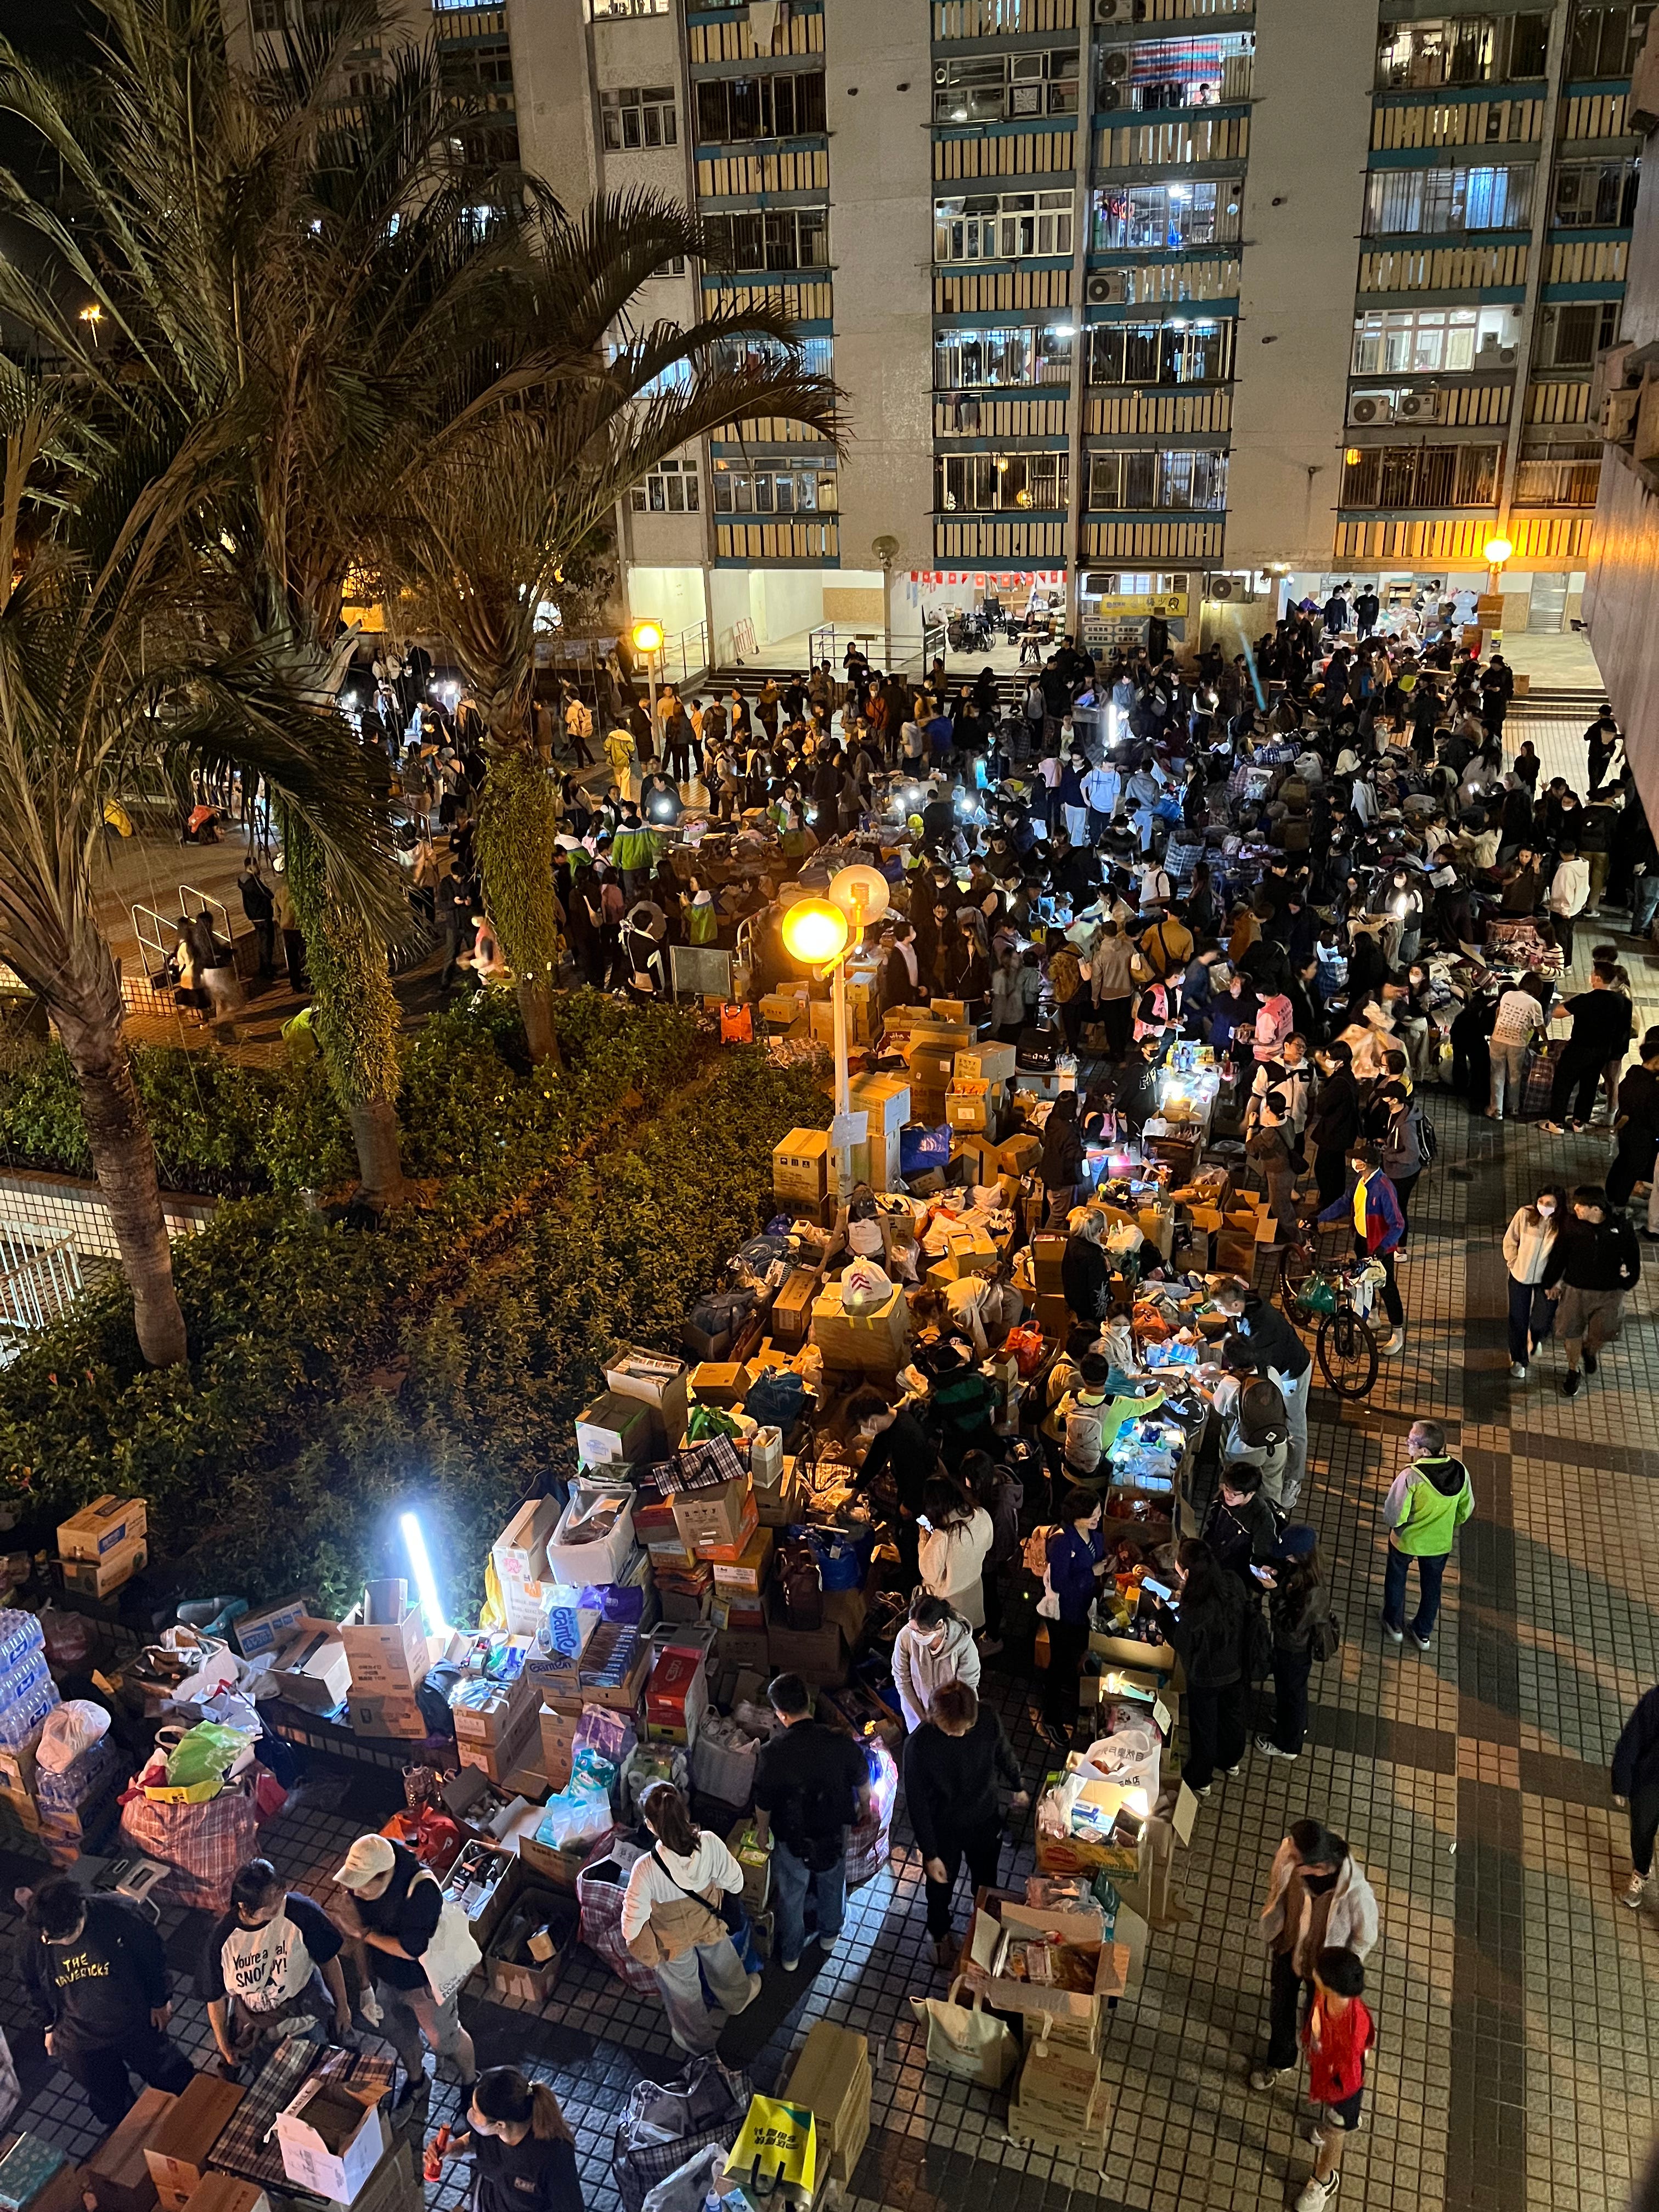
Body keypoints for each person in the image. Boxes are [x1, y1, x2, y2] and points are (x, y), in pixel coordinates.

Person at [19, 1875, 195, 2125]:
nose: (50, 1942)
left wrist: (159, 2000)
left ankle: (200, 2115)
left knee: (174, 2077)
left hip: (134, 2022)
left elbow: (152, 1957)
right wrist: (49, 2025)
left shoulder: (118, 1914)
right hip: (79, 2039)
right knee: (112, 2103)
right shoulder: (33, 1938)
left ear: (80, 1913)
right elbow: (33, 1985)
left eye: (60, 1938)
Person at [331, 1832, 477, 2104]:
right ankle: (417, 2079)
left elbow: (412, 1950)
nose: (355, 1893)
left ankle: (471, 2082)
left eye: (362, 1887)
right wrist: (365, 1985)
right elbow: (357, 1935)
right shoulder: (361, 1885)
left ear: (384, 1875)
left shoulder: (421, 1890)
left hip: (426, 1983)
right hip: (387, 1980)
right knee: (398, 2034)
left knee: (446, 2040)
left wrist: (365, 1933)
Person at [620, 1784, 759, 2052]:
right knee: (723, 1961)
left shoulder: (645, 1869)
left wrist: (649, 1953)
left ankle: (697, 2040)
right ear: (685, 1812)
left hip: (671, 1938)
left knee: (683, 1989)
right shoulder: (709, 1842)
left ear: (650, 1826)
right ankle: (738, 1999)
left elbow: (631, 1926)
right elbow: (735, 1881)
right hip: (708, 1921)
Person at [901, 1681, 1026, 1973]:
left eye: (966, 1728)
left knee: (987, 1880)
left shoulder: (987, 1719)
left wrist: (1017, 1784)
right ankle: (939, 1935)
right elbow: (917, 1806)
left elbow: (1003, 1752)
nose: (960, 1734)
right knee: (940, 1888)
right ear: (936, 1719)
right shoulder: (918, 1747)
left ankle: (985, 1927)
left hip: (984, 1819)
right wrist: (930, 1854)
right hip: (944, 1831)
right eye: (953, 1729)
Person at [751, 1674, 873, 1972]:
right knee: (832, 1879)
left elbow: (764, 1802)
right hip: (834, 1829)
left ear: (781, 1715)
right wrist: (866, 1808)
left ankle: (791, 1954)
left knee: (792, 1893)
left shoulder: (772, 1753)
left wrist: (763, 1832)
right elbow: (862, 1779)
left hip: (792, 1836)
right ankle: (830, 1934)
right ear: (809, 1702)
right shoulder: (840, 1742)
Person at [1250, 1819, 1379, 2092]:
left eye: (1296, 1858)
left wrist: (1339, 1970)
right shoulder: (1290, 1852)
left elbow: (1365, 1936)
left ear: (1319, 1867)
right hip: (1289, 1948)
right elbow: (1277, 1888)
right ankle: (1281, 2059)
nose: (1288, 1853)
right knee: (1280, 2006)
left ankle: (1318, 2062)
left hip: (1323, 1969)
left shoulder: (1356, 1894)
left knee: (1316, 2017)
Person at [201, 1857, 351, 2073]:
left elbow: (328, 1959)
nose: (279, 1907)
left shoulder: (299, 1912)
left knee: (319, 2069)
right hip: (258, 2023)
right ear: (244, 1906)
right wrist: (224, 2045)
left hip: (306, 2010)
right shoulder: (223, 1940)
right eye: (270, 1908)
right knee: (270, 2075)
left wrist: (343, 2007)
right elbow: (215, 1997)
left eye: (281, 1897)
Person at [1155, 1537, 1251, 1798]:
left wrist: (1163, 1613)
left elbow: (1182, 1643)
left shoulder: (1195, 1609)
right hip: (1237, 1666)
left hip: (1206, 1677)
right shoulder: (1231, 1582)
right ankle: (1230, 1760)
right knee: (1232, 1716)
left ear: (1186, 1573)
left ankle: (1201, 1778)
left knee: (1205, 1727)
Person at [1209, 1277, 1312, 1509]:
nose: (1218, 1311)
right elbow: (1231, 1328)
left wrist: (1221, 1377)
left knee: (1296, 1426)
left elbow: (1253, 1365)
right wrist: (1205, 1337)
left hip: (1292, 1371)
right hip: (1274, 1373)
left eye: (1219, 1307)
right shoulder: (1248, 1303)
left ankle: (1294, 1479)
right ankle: (1274, 1500)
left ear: (1235, 1304)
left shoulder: (1260, 1331)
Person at [1379, 1417, 1474, 1649]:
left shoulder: (1411, 1477)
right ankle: (1422, 1633)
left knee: (1396, 1579)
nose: (1406, 1442)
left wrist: (1395, 1526)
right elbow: (1465, 1509)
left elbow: (1395, 1514)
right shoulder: (1460, 1471)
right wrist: (1447, 1526)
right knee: (1432, 1587)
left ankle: (1394, 1624)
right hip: (1439, 1543)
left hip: (1406, 1541)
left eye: (1411, 1440)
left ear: (1424, 1450)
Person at [1293, 1950, 1375, 2212]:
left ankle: (1324, 2180)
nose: (1313, 1972)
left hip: (1343, 2088)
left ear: (1331, 1986)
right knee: (1334, 2120)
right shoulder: (1328, 1996)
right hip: (1328, 2078)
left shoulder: (1352, 2030)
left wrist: (1332, 2099)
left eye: (1318, 1971)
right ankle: (1338, 2122)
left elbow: (1347, 2073)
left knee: (1336, 2130)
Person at [434, 2069, 584, 2212]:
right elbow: (474, 2142)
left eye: (475, 2112)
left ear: (500, 2125)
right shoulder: (492, 2131)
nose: (470, 2115)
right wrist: (452, 2149)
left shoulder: (554, 2156)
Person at [1542, 1182, 1641, 1395]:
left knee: (1604, 1332)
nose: (1575, 1208)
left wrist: (1626, 1283)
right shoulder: (1571, 1226)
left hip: (1609, 1294)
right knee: (1571, 1332)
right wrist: (1550, 1282)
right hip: (1576, 1291)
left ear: (1596, 1209)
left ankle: (1590, 1350)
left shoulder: (1620, 1229)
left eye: (1580, 1206)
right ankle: (1573, 1370)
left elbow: (1633, 1258)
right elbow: (1559, 1256)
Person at [1316, 1140, 1406, 1356]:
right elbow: (1345, 1202)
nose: (1353, 1161)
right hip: (1362, 1241)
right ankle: (1373, 1316)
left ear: (1364, 1164)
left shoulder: (1384, 1189)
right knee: (1363, 1281)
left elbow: (1398, 1224)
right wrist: (1319, 1217)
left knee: (1387, 1288)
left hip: (1380, 1249)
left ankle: (1398, 1333)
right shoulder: (1361, 1180)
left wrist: (1384, 1247)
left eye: (1356, 1159)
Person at [1255, 1526, 1332, 1763]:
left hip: (1294, 1649)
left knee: (1291, 1693)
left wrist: (1275, 1592)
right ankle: (1297, 1724)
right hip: (1290, 1646)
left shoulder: (1312, 1591)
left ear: (1300, 1557)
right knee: (1292, 1691)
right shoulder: (1303, 1571)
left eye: (1288, 1555)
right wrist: (1276, 1573)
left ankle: (1288, 1744)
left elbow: (1290, 1624)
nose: (1285, 1558)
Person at [849, 1386, 936, 1583]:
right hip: (906, 1489)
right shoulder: (891, 1424)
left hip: (920, 1498)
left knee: (913, 1540)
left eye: (863, 1424)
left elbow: (919, 1475)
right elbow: (876, 1458)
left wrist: (909, 1505)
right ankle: (906, 1571)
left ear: (872, 1420)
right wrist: (857, 1488)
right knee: (902, 1536)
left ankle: (914, 1582)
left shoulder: (907, 1436)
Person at [1041, 1487, 1107, 1747]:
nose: (1097, 1518)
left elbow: (1096, 1555)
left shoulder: (1093, 1532)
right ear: (1076, 1517)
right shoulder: (1062, 1543)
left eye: (1099, 1512)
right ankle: (1051, 1716)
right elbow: (1059, 1584)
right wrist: (1092, 1572)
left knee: (1074, 1654)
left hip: (1083, 1608)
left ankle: (1069, 1684)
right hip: (1065, 1614)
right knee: (1059, 1661)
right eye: (1092, 1516)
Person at [1541, 966, 1633, 1135]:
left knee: (1563, 1083)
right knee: (1589, 1085)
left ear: (1597, 978)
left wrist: (1565, 1003)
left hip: (1579, 1048)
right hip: (1602, 1052)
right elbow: (1624, 1030)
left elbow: (1558, 1013)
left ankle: (1556, 1123)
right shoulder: (1622, 1002)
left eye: (1592, 974)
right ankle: (1579, 1122)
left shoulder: (1586, 999)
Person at [891, 1592, 981, 1734]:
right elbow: (902, 1679)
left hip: (953, 1718)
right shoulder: (905, 1637)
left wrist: (948, 1722)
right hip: (918, 1716)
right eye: (912, 1629)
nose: (915, 1636)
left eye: (921, 1632)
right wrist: (922, 1719)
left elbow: (965, 1689)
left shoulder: (963, 1644)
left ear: (939, 1625)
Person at [1502, 1183, 1565, 1381]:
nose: (1543, 1206)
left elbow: (1566, 1259)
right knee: (1518, 1318)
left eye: (1550, 1204)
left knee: (1542, 1320)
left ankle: (1536, 1338)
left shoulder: (1563, 1226)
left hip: (1547, 1281)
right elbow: (1510, 1240)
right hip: (1520, 1275)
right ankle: (1519, 1359)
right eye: (1541, 1201)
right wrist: (1513, 1262)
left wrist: (1558, 1283)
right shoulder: (1525, 1215)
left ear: (1559, 1206)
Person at [917, 1476, 994, 1629]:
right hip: (974, 1590)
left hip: (949, 1602)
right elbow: (988, 1545)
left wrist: (924, 1538)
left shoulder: (942, 1537)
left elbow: (928, 1573)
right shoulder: (981, 1515)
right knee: (971, 1631)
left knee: (953, 1637)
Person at [1612, 1680, 1659, 1910]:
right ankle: (1641, 1871)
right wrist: (1622, 1781)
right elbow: (1633, 1738)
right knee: (1642, 1829)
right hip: (1652, 1779)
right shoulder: (1657, 1700)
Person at [1606, 1027, 1659, 1212]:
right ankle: (1619, 1205)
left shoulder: (1634, 1073)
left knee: (1621, 1163)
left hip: (1626, 1130)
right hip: (1642, 1137)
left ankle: (1610, 1196)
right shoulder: (1652, 1089)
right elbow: (1655, 1119)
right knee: (1631, 1172)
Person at [1487, 971, 1550, 1120]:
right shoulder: (1535, 1004)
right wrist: (1547, 1041)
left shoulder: (1508, 995)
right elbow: (1540, 1026)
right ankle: (1514, 1107)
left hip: (1498, 1038)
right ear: (1537, 990)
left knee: (1497, 1075)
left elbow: (1498, 1013)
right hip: (1517, 1043)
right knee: (1515, 1076)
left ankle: (1496, 1110)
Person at [1306, 1040, 1361, 1210]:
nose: (1327, 1061)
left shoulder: (1339, 1082)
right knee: (1336, 1168)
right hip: (1342, 1131)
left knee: (1325, 1168)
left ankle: (1329, 1201)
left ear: (1341, 1061)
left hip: (1335, 1132)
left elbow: (1323, 1106)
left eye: (1330, 1058)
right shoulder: (1347, 1076)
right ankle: (1336, 1199)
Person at [1060, 1207, 1111, 1324]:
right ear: (1100, 1230)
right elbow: (1098, 1291)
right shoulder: (1094, 1257)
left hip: (1073, 1300)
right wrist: (1102, 1319)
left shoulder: (1072, 1241)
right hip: (1089, 1313)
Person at [1040, 1090, 1085, 1220]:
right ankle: (1047, 1233)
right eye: (1079, 1105)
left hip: (1050, 1172)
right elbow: (1074, 1155)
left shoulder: (1053, 1120)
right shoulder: (1067, 1130)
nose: (1081, 1107)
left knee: (1055, 1210)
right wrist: (1103, 1152)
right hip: (1062, 1178)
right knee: (1058, 1216)